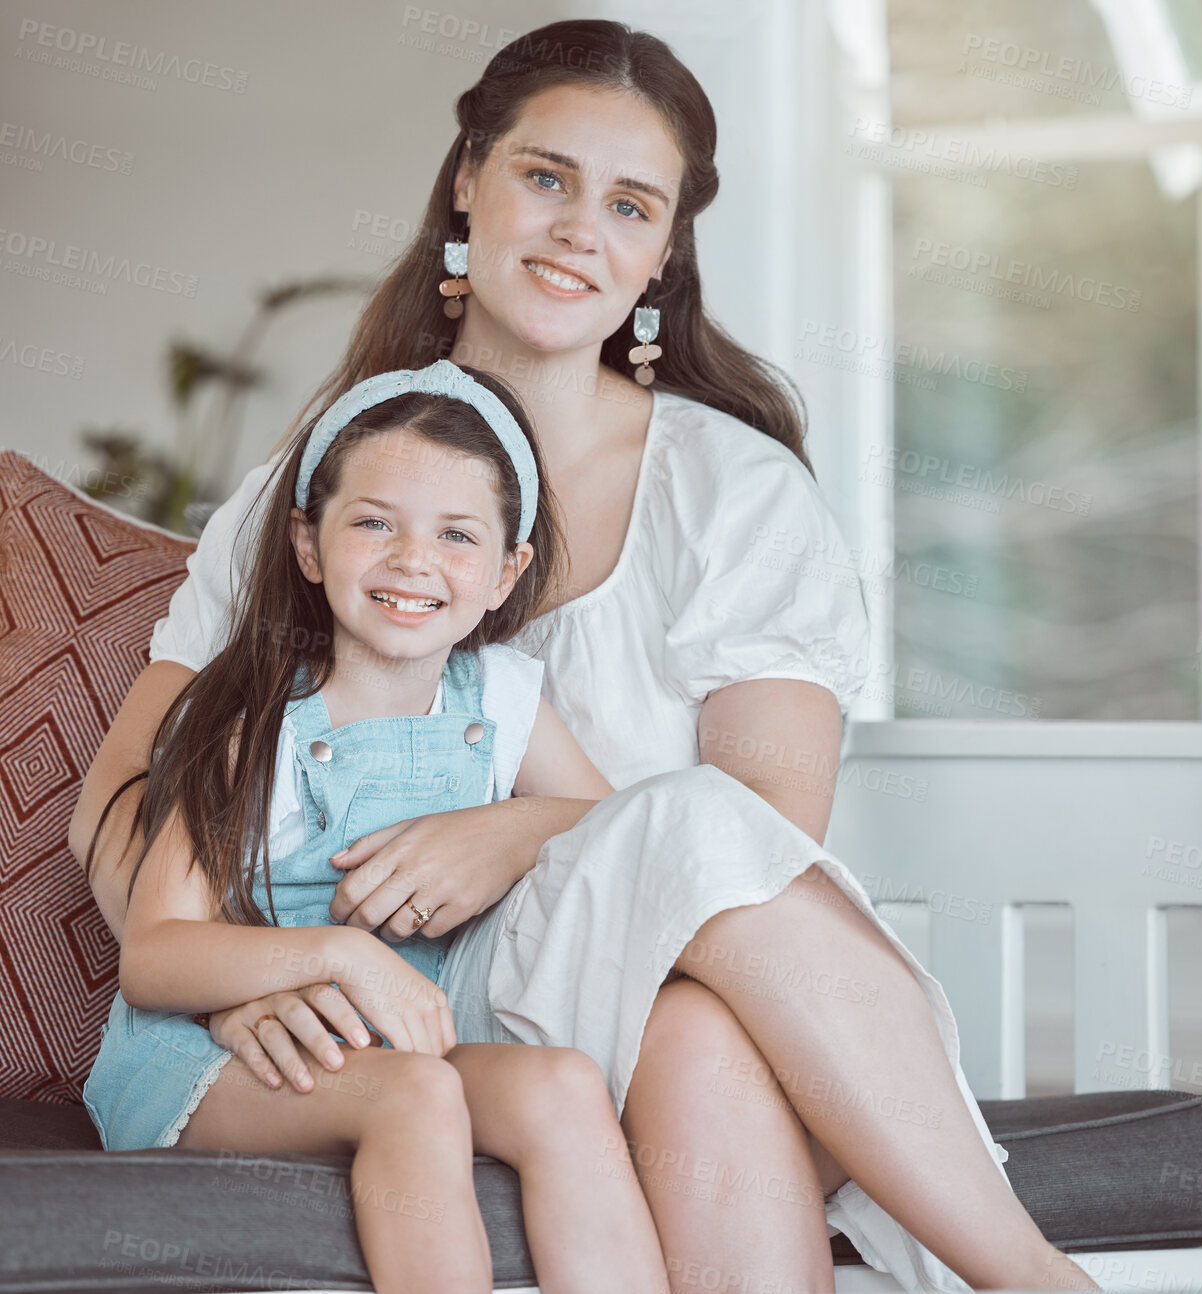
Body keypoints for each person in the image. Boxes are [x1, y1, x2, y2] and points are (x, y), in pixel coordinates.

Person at [71, 19, 1098, 1293]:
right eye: (544, 177)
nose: (576, 230)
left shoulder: (731, 492)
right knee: (691, 1014)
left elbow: (754, 850)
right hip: (420, 1004)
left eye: (628, 204)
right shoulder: (331, 480)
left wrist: (520, 830)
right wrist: (242, 997)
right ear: (469, 180)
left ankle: (1028, 1278)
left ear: (663, 250)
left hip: (664, 983)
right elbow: (120, 800)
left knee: (697, 1018)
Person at [79, 360, 669, 1294]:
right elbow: (154, 956)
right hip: (210, 1054)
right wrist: (341, 957)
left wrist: (519, 826)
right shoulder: (244, 718)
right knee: (419, 1094)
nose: (412, 560)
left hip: (398, 1041)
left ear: (506, 570)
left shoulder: (503, 701)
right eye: (373, 522)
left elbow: (615, 831)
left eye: (457, 534)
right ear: (309, 545)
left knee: (560, 1086)